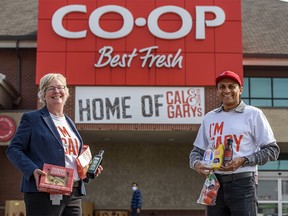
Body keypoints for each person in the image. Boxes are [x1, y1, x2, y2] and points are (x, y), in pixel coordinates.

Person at [6, 73, 103, 216]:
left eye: (60, 87)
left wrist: (87, 169)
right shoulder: (32, 119)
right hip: (44, 191)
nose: (56, 91)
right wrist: (32, 170)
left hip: (73, 192)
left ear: (66, 92)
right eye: (50, 88)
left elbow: (71, 157)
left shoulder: (70, 123)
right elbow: (13, 150)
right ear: (43, 95)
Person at [189, 71, 280, 216]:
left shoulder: (253, 114)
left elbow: (272, 150)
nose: (226, 91)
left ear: (240, 90)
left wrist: (243, 160)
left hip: (243, 183)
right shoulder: (209, 118)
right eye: (222, 87)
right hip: (214, 184)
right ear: (217, 90)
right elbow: (196, 152)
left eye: (232, 86)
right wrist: (196, 164)